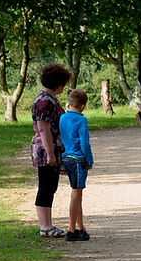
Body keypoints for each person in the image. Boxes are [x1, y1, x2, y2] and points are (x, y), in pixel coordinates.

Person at [31, 63, 72, 238]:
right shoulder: (43, 101)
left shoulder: (50, 99)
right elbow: (44, 129)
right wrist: (50, 154)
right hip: (45, 149)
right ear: (57, 82)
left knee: (50, 187)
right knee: (46, 187)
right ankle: (44, 226)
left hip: (53, 148)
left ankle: (48, 225)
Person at [59, 89, 94, 242]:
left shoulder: (63, 118)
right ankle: (71, 229)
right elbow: (84, 143)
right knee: (76, 195)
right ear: (82, 106)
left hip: (67, 158)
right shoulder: (81, 120)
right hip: (79, 159)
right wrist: (90, 160)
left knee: (77, 193)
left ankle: (81, 227)